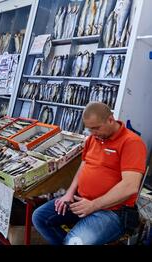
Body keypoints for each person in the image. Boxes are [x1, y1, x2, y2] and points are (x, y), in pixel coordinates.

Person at [32, 102, 147, 245]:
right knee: (39, 217)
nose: (93, 133)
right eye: (90, 129)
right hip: (81, 200)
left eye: (96, 128)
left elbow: (130, 186)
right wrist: (69, 193)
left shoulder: (132, 142)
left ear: (111, 120)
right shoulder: (94, 138)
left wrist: (93, 205)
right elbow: (84, 166)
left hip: (112, 211)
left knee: (74, 242)